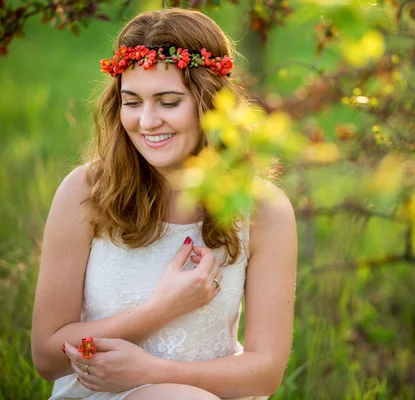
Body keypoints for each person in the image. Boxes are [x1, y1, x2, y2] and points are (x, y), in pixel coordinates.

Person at [30, 8, 297, 400]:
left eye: (168, 102)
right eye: (132, 101)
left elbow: (263, 373)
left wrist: (153, 371)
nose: (147, 121)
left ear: (209, 103)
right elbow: (49, 357)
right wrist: (161, 309)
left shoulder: (262, 210)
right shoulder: (85, 193)